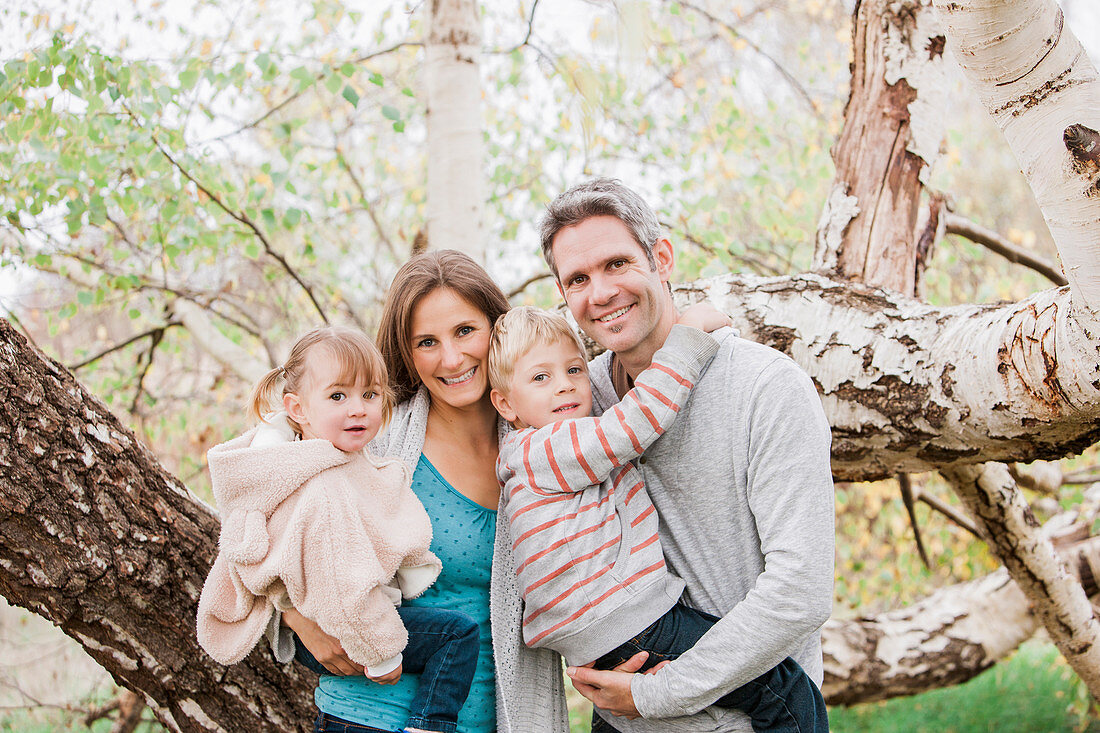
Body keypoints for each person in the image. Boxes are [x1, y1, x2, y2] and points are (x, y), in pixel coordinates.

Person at [538, 178, 835, 732]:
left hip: (751, 720)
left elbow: (800, 592)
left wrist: (660, 693)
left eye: (616, 265)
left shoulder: (767, 388)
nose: (599, 293)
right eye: (577, 279)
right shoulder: (577, 401)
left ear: (662, 258)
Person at [487, 306, 828, 733]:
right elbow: (639, 419)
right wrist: (687, 336)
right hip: (624, 615)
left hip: (598, 630)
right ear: (505, 404)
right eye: (541, 378)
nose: (565, 386)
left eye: (574, 370)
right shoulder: (550, 446)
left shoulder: (534, 452)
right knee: (787, 690)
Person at [271, 251, 570, 733]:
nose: (451, 359)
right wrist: (292, 617)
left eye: (465, 331)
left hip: (504, 719)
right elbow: (262, 512)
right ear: (406, 353)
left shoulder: (549, 433)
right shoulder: (372, 437)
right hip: (371, 717)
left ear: (498, 325)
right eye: (427, 342)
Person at [196, 325, 480, 733]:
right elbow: (344, 585)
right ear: (297, 409)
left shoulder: (303, 459)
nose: (359, 409)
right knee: (456, 636)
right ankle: (430, 724)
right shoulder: (324, 484)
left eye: (370, 394)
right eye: (337, 396)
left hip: (331, 622)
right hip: (343, 626)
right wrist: (381, 651)